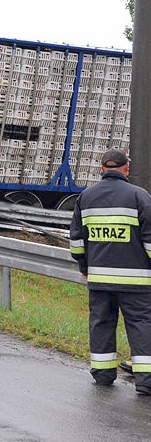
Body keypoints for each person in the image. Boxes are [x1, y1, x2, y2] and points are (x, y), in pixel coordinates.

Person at [69, 148, 151, 395]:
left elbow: (76, 242)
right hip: (137, 282)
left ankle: (103, 375)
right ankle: (146, 382)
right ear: (126, 169)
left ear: (102, 169)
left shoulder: (86, 197)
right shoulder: (140, 196)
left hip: (100, 279)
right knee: (141, 325)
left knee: (101, 323)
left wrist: (85, 268)